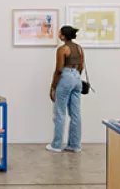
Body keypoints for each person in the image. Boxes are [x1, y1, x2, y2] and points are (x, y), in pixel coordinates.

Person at [46, 25, 84, 153]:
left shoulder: (62, 49)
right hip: (77, 77)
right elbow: (81, 66)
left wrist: (53, 87)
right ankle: (75, 145)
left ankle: (56, 145)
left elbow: (59, 70)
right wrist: (76, 76)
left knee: (60, 113)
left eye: (59, 33)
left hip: (66, 76)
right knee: (76, 114)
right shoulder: (79, 48)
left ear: (63, 35)